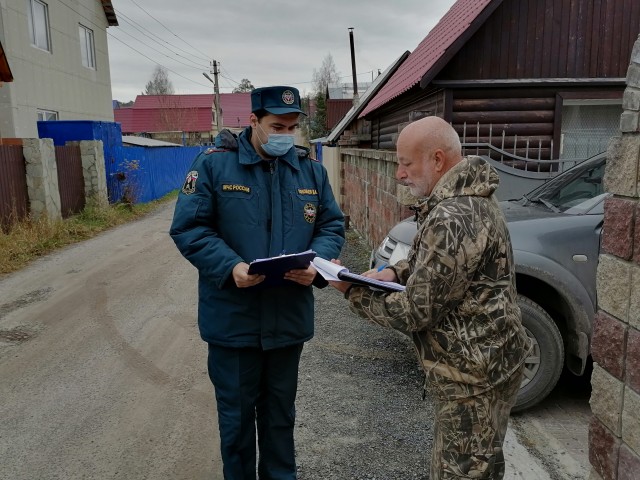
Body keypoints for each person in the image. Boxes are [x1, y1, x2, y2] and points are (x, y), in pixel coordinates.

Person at [329, 116, 531, 480]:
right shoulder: (468, 199)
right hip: (488, 365)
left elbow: (415, 311)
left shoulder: (453, 214)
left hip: (471, 379)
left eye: (406, 164)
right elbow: (446, 264)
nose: (400, 175)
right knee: (480, 466)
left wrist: (352, 291)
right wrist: (396, 271)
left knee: (462, 472)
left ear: (437, 160)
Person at [170, 85, 345, 480]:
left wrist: (316, 262)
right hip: (233, 321)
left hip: (287, 320)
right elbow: (189, 229)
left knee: (280, 417)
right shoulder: (214, 165)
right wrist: (230, 266)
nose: (286, 134)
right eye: (277, 126)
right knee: (235, 421)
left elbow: (331, 224)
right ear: (253, 121)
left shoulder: (310, 170)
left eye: (293, 127)